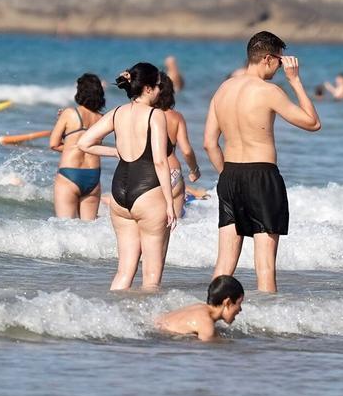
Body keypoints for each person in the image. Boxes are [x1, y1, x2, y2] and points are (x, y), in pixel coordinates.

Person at [204, 31, 321, 293]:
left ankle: (209, 310)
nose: (281, 68)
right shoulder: (269, 91)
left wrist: (226, 176)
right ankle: (269, 318)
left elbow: (209, 143)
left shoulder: (223, 89)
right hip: (261, 175)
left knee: (224, 263)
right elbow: (313, 123)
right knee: (265, 266)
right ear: (267, 59)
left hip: (229, 175)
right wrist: (295, 81)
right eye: (280, 61)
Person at [77, 63, 176, 290]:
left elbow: (84, 143)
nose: (160, 90)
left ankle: (113, 311)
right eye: (158, 86)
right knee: (151, 276)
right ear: (148, 88)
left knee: (123, 271)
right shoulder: (155, 115)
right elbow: (160, 161)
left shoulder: (116, 113)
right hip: (148, 193)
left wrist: (116, 152)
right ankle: (144, 314)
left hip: (119, 194)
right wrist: (170, 203)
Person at [50, 73, 107, 220]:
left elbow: (54, 144)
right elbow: (94, 145)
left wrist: (71, 146)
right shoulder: (102, 119)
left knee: (65, 226)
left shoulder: (69, 113)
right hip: (93, 177)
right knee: (89, 229)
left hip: (69, 175)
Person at [155, 73, 201, 219]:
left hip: (150, 174)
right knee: (176, 225)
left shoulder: (145, 115)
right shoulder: (177, 117)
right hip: (173, 173)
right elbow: (186, 151)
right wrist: (194, 170)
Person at [156, 275, 244, 341]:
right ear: (228, 303)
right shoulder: (206, 325)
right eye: (239, 304)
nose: (240, 309)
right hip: (162, 337)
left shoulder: (199, 307)